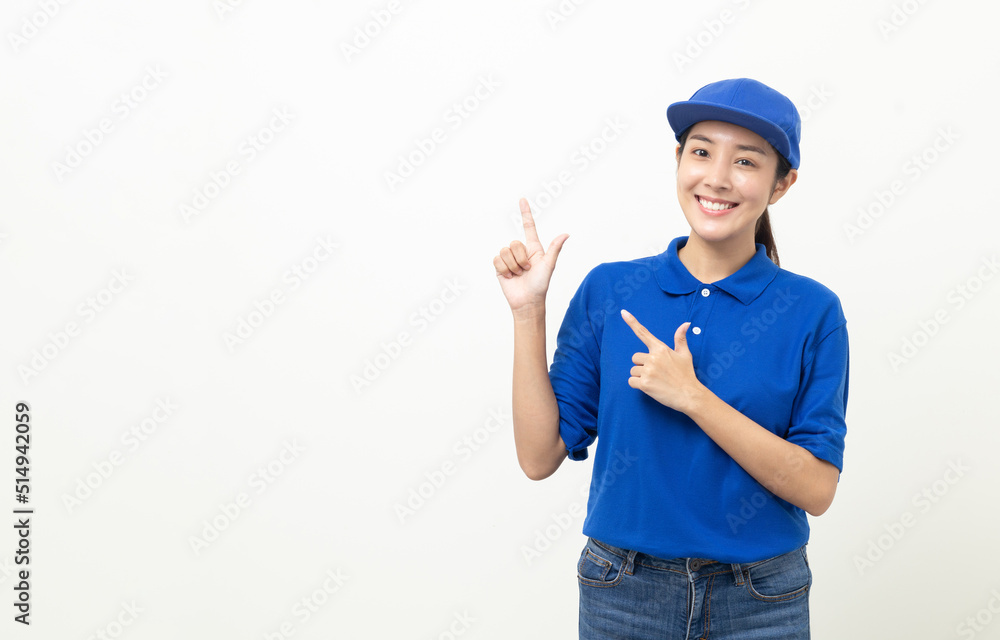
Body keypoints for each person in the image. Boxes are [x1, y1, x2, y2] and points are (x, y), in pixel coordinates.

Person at [492, 78, 849, 639]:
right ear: (678, 160)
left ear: (782, 185)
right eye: (701, 151)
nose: (717, 177)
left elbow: (817, 489)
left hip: (761, 599)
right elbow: (539, 457)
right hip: (622, 592)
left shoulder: (811, 310)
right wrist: (527, 312)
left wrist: (694, 398)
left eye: (747, 162)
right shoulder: (612, 290)